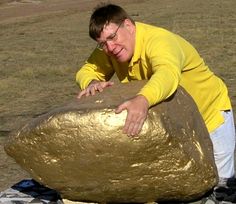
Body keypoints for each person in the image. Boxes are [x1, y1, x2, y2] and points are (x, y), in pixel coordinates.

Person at [76, 3, 236, 203]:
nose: (109, 47)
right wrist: (90, 82)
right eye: (102, 43)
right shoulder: (111, 49)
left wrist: (143, 99)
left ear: (129, 26)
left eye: (112, 37)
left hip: (210, 118)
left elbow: (167, 74)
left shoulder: (159, 41)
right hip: (175, 128)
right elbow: (87, 70)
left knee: (221, 189)